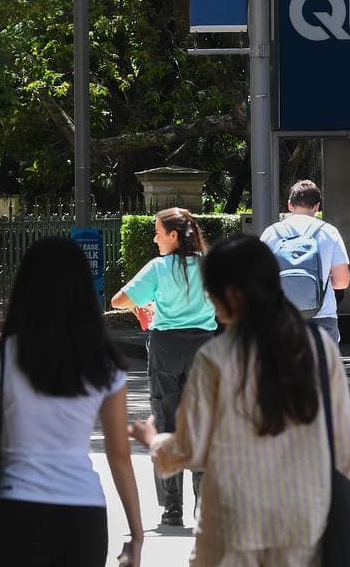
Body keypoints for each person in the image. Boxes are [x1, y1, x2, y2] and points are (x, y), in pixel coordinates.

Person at [129, 235, 350, 566]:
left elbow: (192, 449)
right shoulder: (320, 348)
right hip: (309, 526)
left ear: (232, 294)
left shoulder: (216, 357)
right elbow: (345, 450)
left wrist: (154, 442)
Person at [0, 237, 143, 567]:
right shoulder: (104, 363)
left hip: (15, 510)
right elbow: (119, 454)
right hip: (84, 514)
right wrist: (137, 533)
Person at [111, 207, 218, 527]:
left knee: (166, 421)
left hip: (166, 348)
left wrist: (145, 305)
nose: (155, 237)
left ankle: (172, 508)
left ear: (173, 236)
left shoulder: (158, 267)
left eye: (158, 231)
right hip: (204, 346)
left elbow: (119, 300)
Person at [260, 179, 350, 342]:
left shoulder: (271, 233)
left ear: (290, 205)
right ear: (317, 206)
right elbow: (342, 281)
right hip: (322, 316)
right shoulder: (329, 232)